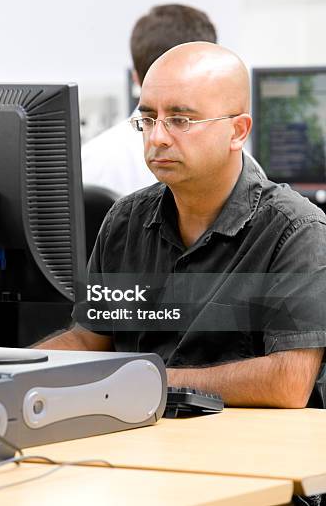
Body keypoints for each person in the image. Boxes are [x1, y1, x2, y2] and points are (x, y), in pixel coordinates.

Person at [36, 42, 326, 410]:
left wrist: (140, 377)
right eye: (148, 119)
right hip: (139, 442)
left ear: (237, 131)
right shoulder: (125, 222)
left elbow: (286, 383)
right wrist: (7, 372)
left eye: (180, 120)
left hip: (246, 454)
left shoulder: (296, 230)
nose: (157, 137)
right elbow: (87, 340)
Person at [81, 4, 217, 196]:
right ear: (208, 74)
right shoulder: (232, 163)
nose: (158, 138)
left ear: (135, 77)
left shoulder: (87, 162)